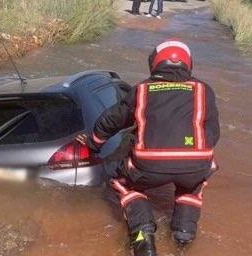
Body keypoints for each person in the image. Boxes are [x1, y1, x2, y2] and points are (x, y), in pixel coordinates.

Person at [77, 39, 220, 256]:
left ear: (155, 63)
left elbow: (111, 121)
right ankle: (183, 237)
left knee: (121, 182)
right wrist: (190, 155)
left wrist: (93, 144)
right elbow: (213, 133)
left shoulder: (142, 90)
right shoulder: (204, 90)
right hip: (197, 164)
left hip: (148, 167)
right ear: (188, 64)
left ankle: (143, 237)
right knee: (192, 187)